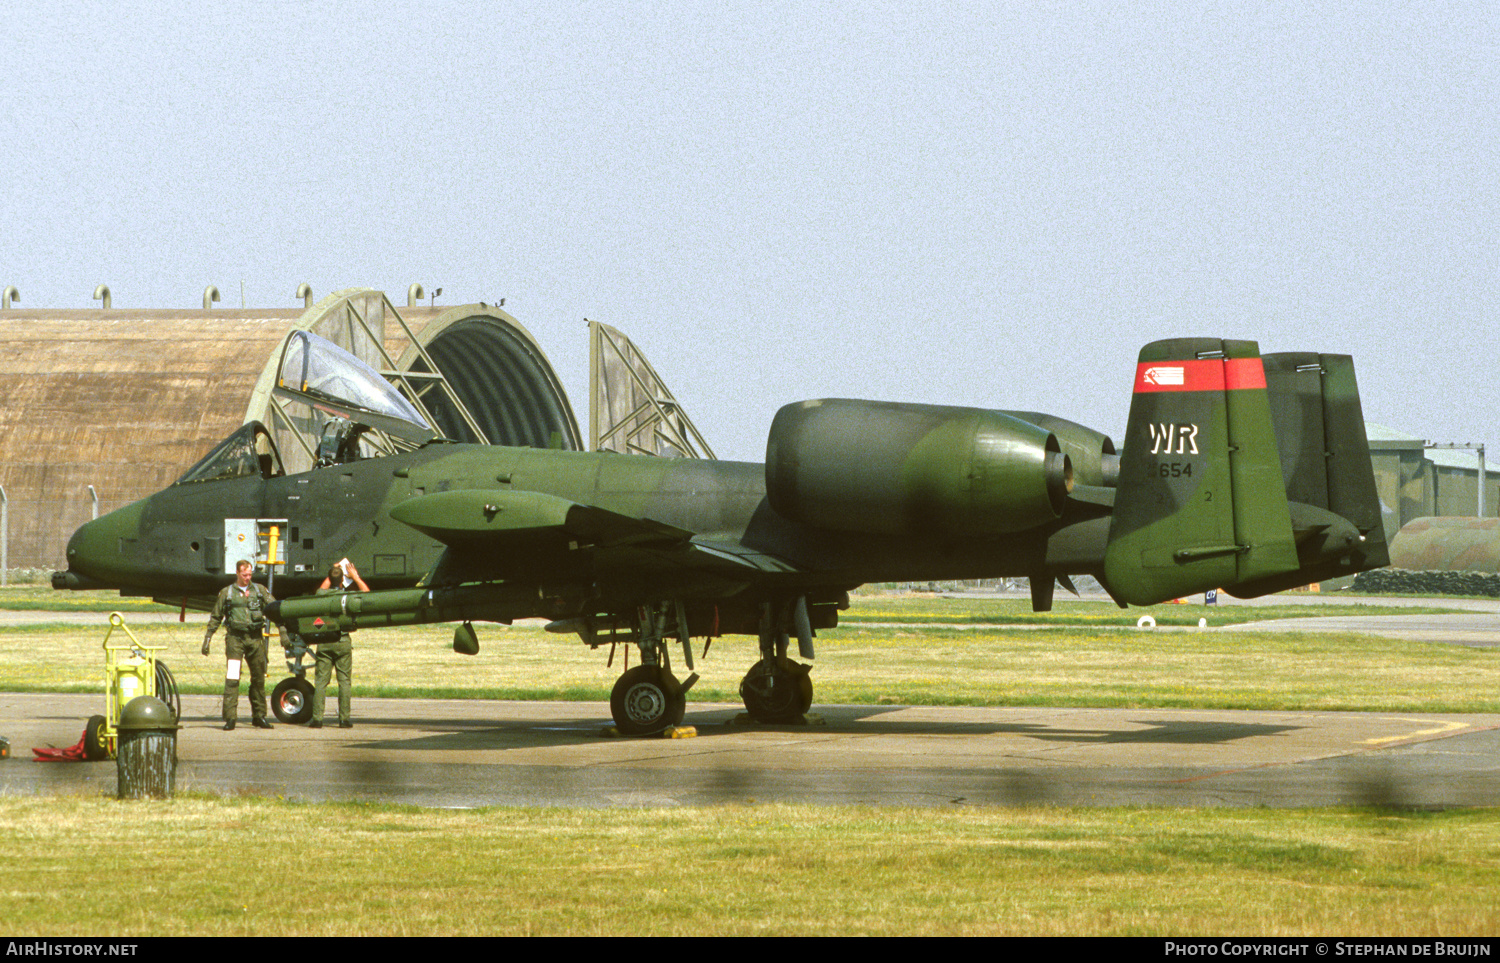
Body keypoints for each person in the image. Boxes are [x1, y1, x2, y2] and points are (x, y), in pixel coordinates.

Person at [202, 559, 276, 731]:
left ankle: (259, 716)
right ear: (237, 573)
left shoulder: (259, 590)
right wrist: (208, 638)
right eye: (244, 575)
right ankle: (230, 718)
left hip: (255, 639)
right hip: (235, 640)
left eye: (250, 574)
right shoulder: (227, 593)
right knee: (233, 679)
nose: (247, 578)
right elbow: (216, 617)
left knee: (258, 679)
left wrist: (284, 633)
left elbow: (274, 608)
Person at [310, 560, 368, 729]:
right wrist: (355, 578)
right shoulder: (348, 597)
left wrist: (334, 570)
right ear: (343, 580)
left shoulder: (322, 595)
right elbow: (367, 593)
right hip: (342, 641)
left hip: (325, 641)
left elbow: (322, 587)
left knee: (321, 682)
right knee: (344, 682)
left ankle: (317, 719)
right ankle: (344, 719)